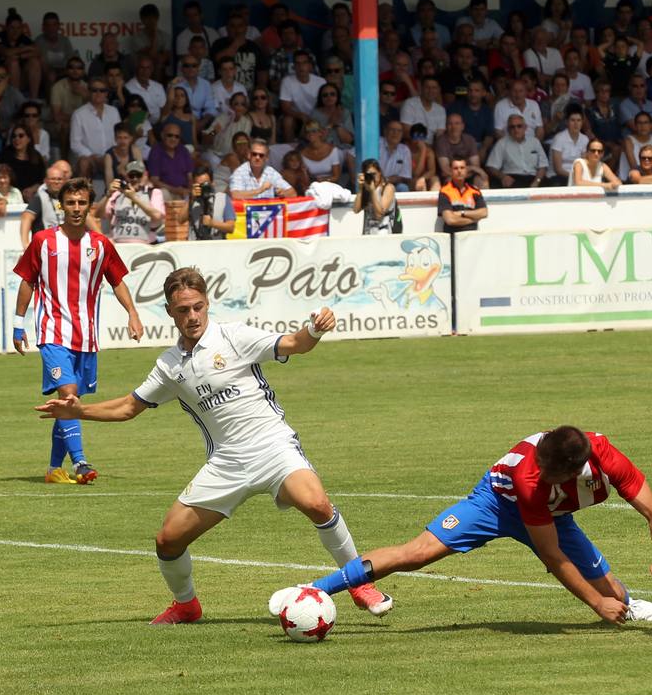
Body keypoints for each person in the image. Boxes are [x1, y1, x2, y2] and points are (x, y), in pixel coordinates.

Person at [35, 267, 394, 623]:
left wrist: (314, 328)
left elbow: (294, 344)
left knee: (316, 502)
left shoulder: (234, 336)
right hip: (226, 463)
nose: (192, 316)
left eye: (197, 307)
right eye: (183, 310)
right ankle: (186, 605)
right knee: (167, 540)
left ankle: (359, 582)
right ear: (170, 312)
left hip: (273, 447)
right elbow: (129, 407)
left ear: (207, 304)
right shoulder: (169, 365)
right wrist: (79, 410)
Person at [297, 424, 652, 625]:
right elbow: (553, 556)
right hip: (494, 502)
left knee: (618, 599)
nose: (539, 472)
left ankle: (628, 603)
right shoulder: (529, 479)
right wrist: (594, 604)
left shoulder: (607, 459)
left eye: (549, 471)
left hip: (555, 518)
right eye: (539, 464)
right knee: (416, 554)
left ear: (574, 471)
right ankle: (313, 591)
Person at [12, 178, 144, 485]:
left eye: (81, 202)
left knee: (69, 404)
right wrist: (18, 324)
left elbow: (117, 281)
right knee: (70, 397)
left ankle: (54, 469)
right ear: (61, 205)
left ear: (90, 205)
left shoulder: (100, 244)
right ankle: (81, 463)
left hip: (86, 338)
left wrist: (133, 313)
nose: (75, 208)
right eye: (70, 202)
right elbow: (27, 281)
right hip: (52, 333)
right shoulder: (44, 241)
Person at [104, 160, 165, 244]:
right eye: (131, 176)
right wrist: (108, 194)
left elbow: (157, 216)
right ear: (127, 177)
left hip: (146, 246)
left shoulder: (154, 192)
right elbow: (100, 214)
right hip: (119, 246)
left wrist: (134, 198)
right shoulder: (117, 194)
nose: (135, 179)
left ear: (145, 175)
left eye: (138, 175)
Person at [437, 156, 487, 233]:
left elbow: (484, 212)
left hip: (472, 236)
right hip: (452, 237)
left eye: (462, 168)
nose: (459, 171)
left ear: (466, 170)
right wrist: (474, 219)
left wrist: (461, 213)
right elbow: (450, 220)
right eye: (456, 168)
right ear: (451, 171)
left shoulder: (475, 191)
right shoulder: (445, 191)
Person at [354, 158, 399, 235]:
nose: (372, 178)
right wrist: (360, 189)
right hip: (368, 233)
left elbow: (379, 215)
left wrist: (372, 191)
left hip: (385, 233)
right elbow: (356, 209)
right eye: (369, 175)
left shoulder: (388, 188)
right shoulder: (366, 188)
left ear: (380, 172)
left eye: (374, 174)